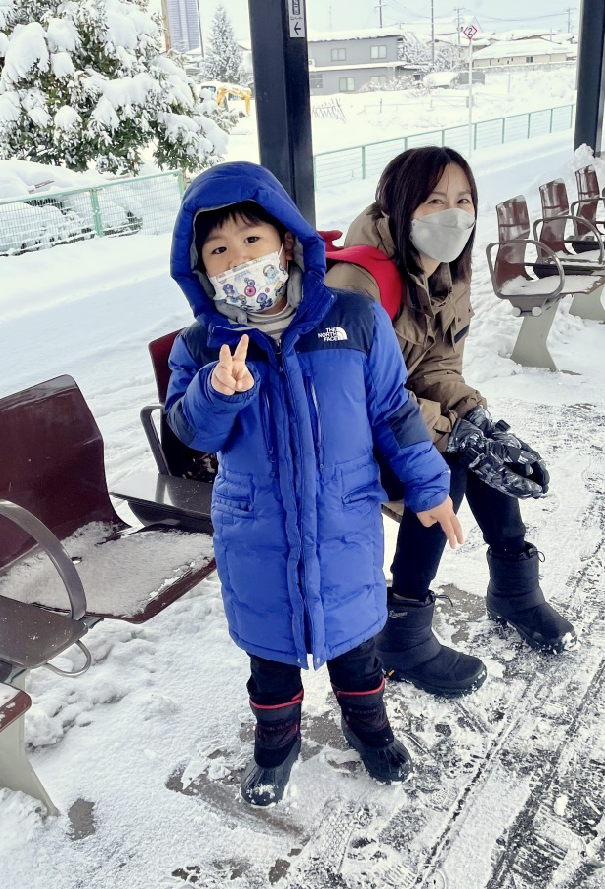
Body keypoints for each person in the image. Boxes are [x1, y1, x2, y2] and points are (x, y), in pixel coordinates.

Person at [165, 161, 463, 806]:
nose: (239, 259)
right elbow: (189, 434)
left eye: (252, 240)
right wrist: (218, 393)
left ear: (286, 244)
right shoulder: (201, 346)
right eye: (219, 250)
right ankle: (276, 746)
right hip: (256, 533)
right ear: (200, 268)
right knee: (270, 658)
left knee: (357, 648)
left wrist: (429, 485)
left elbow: (393, 410)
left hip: (343, 522)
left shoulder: (353, 319)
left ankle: (369, 728)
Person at [324, 146, 576, 700]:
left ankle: (515, 591)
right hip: (344, 437)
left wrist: (475, 418)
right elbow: (357, 396)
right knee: (448, 468)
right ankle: (401, 631)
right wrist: (449, 433)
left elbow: (437, 367)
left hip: (398, 421)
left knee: (485, 454)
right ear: (400, 206)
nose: (453, 215)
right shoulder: (357, 283)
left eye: (464, 201)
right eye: (434, 201)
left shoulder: (443, 268)